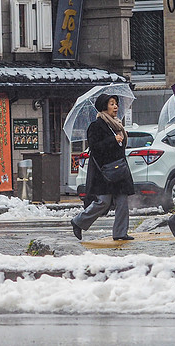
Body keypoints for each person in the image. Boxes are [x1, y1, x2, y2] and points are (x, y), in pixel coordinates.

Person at [70, 93, 135, 242]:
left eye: (116, 103)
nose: (115, 106)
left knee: (122, 202)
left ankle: (120, 232)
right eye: (111, 103)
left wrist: (119, 138)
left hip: (119, 170)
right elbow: (94, 147)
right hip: (105, 172)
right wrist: (112, 140)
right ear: (104, 106)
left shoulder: (117, 125)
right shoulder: (96, 126)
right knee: (103, 202)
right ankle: (78, 222)